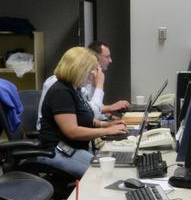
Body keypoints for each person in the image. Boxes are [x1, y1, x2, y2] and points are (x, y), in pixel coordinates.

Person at [35, 46, 128, 178]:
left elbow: (83, 118)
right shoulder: (61, 92)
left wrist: (105, 125)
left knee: (111, 166)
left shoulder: (75, 89)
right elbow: (72, 131)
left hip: (72, 148)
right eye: (91, 70)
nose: (94, 75)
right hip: (57, 150)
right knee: (104, 174)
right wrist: (107, 131)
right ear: (78, 69)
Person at [37, 42, 129, 129]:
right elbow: (91, 113)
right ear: (80, 67)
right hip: (58, 137)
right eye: (107, 57)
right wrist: (99, 86)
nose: (110, 60)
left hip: (78, 129)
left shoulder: (77, 85)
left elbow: (87, 112)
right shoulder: (59, 87)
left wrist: (106, 123)